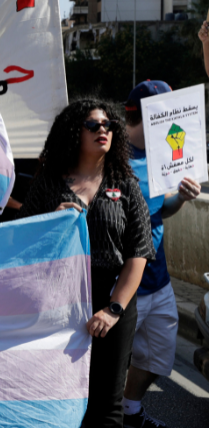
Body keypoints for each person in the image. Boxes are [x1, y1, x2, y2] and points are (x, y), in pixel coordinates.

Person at [17, 99, 155, 428]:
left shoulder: (125, 183)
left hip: (112, 300)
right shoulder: (50, 183)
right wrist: (53, 222)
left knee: (107, 404)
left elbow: (139, 251)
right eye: (93, 125)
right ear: (74, 133)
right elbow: (23, 241)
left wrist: (114, 309)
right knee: (58, 393)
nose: (102, 130)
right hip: (58, 303)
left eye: (108, 125)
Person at [121, 81, 202, 428]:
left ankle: (130, 411)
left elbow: (160, 211)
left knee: (157, 359)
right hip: (122, 286)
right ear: (142, 115)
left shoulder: (163, 155)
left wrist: (181, 198)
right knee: (102, 363)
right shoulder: (110, 157)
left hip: (160, 281)